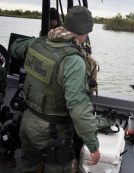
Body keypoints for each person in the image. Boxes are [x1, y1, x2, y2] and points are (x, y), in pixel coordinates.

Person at [11, 6, 100, 173]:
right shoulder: (73, 60)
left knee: (29, 165)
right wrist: (93, 145)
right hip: (51, 132)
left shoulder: (38, 42)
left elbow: (15, 47)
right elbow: (78, 107)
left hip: (27, 121)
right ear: (85, 32)